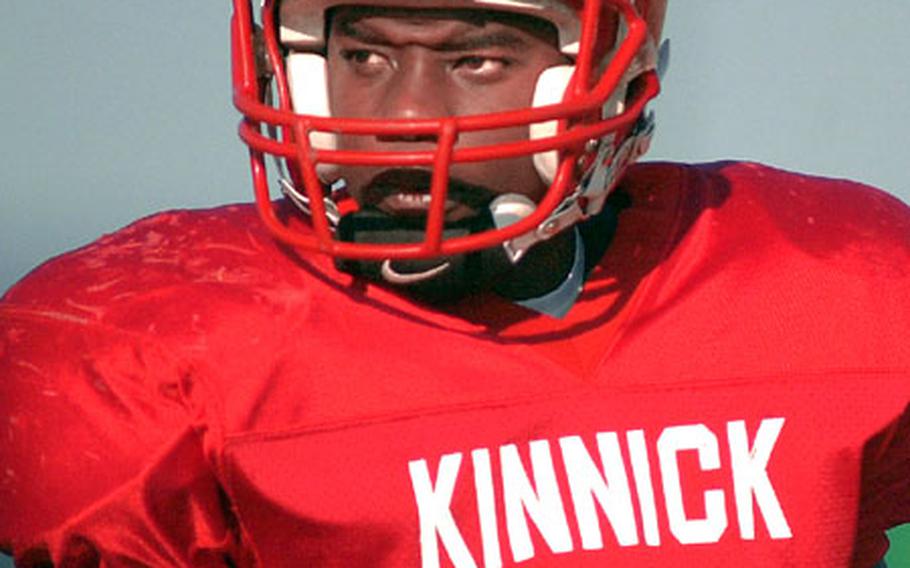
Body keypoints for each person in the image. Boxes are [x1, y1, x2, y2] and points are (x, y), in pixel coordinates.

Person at [1, 0, 908, 566]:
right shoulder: (147, 346)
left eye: (475, 60)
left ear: (605, 75)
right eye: (363, 57)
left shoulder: (843, 284)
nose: (402, 116)